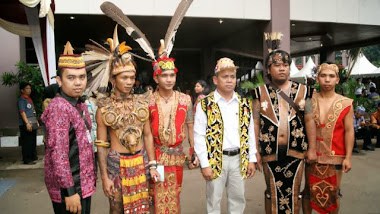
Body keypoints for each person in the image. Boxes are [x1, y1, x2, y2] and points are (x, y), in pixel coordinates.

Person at [83, 27, 158, 213]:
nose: (129, 82)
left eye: (132, 77)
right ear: (112, 80)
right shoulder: (104, 108)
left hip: (141, 161)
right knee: (116, 209)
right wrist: (105, 176)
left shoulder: (142, 103)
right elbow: (101, 144)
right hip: (116, 164)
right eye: (124, 77)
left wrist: (153, 165)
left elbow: (148, 136)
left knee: (144, 208)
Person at [251, 49, 316, 214]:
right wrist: (254, 151)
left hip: (296, 151)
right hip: (269, 151)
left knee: (294, 191)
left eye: (285, 65)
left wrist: (312, 149)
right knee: (272, 192)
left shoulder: (304, 91)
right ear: (268, 69)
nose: (281, 68)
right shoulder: (259, 93)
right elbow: (255, 123)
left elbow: (309, 119)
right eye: (276, 65)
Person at [194, 57, 257, 214]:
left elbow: (249, 133)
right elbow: (199, 135)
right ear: (216, 80)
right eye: (225, 76)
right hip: (215, 159)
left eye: (232, 76)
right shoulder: (205, 104)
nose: (229, 80)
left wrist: (252, 159)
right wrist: (204, 163)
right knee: (213, 201)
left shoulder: (244, 104)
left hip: (238, 158)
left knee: (238, 200)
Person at [41, 41, 96, 214]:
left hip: (83, 184)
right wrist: (69, 192)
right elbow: (58, 154)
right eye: (71, 78)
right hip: (72, 187)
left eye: (82, 77)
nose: (78, 83)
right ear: (59, 80)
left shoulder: (79, 104)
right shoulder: (59, 107)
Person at [148, 41, 199, 214]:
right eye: (164, 75)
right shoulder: (148, 101)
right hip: (157, 156)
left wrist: (194, 152)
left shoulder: (185, 100)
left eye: (172, 75)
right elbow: (145, 135)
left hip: (177, 156)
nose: (169, 79)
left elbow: (190, 127)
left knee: (174, 194)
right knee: (158, 196)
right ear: (156, 78)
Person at [302, 62, 354, 214]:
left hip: (336, 156)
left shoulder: (345, 103)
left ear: (337, 80)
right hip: (312, 155)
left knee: (334, 192)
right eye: (323, 75)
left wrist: (348, 157)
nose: (327, 79)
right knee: (308, 192)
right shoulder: (308, 101)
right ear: (317, 78)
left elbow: (349, 131)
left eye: (331, 76)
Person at [18, 82, 38, 165]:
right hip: (26, 124)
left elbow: (32, 111)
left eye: (29, 88)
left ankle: (33, 156)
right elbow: (22, 112)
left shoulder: (29, 99)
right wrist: (27, 123)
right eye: (27, 88)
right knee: (27, 142)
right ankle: (27, 159)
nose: (29, 90)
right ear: (22, 90)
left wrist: (36, 120)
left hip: (32, 122)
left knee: (32, 140)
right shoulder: (21, 100)